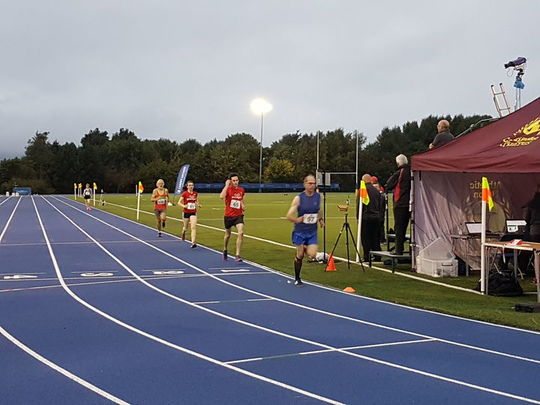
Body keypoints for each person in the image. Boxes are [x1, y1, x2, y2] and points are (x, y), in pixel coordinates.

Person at [286, 174, 324, 286]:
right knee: (300, 255)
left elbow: (319, 210)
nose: (312, 185)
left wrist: (321, 219)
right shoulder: (299, 198)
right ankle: (297, 278)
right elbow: (289, 215)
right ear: (305, 184)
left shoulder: (318, 196)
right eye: (310, 183)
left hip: (312, 231)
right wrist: (298, 220)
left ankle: (306, 247)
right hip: (300, 231)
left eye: (314, 183)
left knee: (312, 255)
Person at [384, 154, 411, 255]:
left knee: (399, 227)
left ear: (398, 163)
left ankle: (399, 250)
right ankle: (413, 250)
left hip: (400, 204)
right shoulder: (412, 172)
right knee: (413, 227)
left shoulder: (399, 172)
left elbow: (388, 184)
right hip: (412, 203)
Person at [220, 173, 245, 261]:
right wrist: (226, 185)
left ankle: (237, 255)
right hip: (228, 216)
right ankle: (225, 249)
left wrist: (242, 205)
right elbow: (221, 196)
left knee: (241, 232)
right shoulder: (228, 189)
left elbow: (241, 199)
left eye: (237, 180)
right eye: (233, 181)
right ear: (230, 181)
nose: (235, 182)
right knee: (227, 235)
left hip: (238, 215)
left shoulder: (241, 190)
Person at [360, 174, 382, 261]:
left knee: (365, 238)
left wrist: (359, 217)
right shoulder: (376, 190)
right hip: (376, 217)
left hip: (366, 217)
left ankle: (367, 256)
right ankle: (377, 255)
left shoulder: (363, 190)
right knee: (375, 237)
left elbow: (360, 205)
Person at [179, 180, 200, 248]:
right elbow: (179, 202)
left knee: (193, 227)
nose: (191, 186)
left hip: (193, 212)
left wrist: (198, 204)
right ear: (187, 186)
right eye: (190, 185)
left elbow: (196, 201)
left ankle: (193, 242)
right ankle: (183, 232)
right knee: (185, 227)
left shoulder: (195, 193)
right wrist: (184, 206)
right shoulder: (184, 193)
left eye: (192, 185)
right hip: (186, 212)